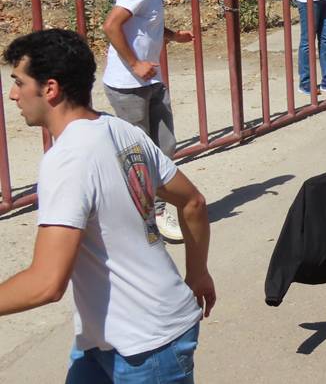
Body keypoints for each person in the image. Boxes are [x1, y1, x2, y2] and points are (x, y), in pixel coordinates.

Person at [0, 29, 215, 381]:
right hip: (108, 338)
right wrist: (198, 272)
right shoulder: (121, 130)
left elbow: (46, 283)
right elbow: (193, 202)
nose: (12, 94)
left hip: (146, 348)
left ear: (50, 89)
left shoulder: (67, 160)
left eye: (19, 83)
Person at [102, 0, 192, 242]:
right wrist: (135, 64)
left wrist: (172, 36)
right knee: (138, 155)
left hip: (150, 82)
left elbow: (142, 26)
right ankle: (145, 217)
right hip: (129, 87)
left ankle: (153, 210)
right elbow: (111, 24)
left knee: (164, 146)